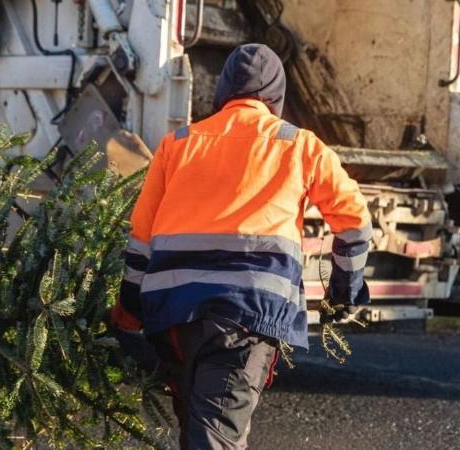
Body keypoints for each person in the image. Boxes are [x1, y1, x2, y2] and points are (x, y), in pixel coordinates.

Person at [110, 43, 372, 449]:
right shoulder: (300, 145)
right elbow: (355, 223)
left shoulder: (177, 143)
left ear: (223, 90)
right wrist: (344, 292)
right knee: (214, 437)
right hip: (246, 316)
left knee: (204, 432)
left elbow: (140, 239)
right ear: (276, 95)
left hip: (174, 316)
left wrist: (127, 315)